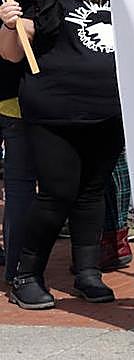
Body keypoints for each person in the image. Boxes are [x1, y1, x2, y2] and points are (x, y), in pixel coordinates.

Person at [0, 0, 126, 308]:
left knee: (92, 191)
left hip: (109, 108)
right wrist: (10, 23)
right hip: (55, 109)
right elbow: (10, 54)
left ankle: (88, 272)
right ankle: (26, 274)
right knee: (58, 193)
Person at [0, 57, 33, 288]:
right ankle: (17, 270)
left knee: (20, 186)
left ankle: (17, 268)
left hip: (15, 94)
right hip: (17, 93)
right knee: (20, 185)